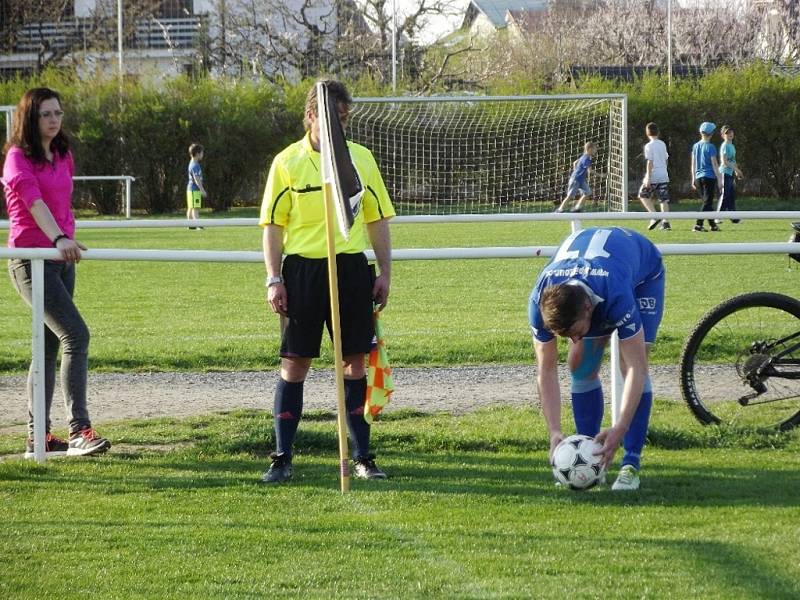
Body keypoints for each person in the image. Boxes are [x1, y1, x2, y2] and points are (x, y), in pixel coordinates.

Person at [258, 79, 395, 484]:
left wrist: (385, 271)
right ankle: (282, 457)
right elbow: (272, 226)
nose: (335, 125)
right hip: (302, 273)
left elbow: (376, 218)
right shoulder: (286, 162)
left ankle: (363, 457)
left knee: (354, 362)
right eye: (327, 117)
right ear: (309, 116)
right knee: (295, 363)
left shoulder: (361, 159)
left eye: (341, 118)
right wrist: (273, 279)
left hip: (351, 269)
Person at [1, 87, 111, 458]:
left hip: (63, 262)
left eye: (58, 113)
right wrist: (60, 237)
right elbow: (33, 203)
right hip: (31, 261)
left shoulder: (63, 154)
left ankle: (39, 437)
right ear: (30, 119)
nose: (53, 120)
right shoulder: (17, 157)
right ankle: (79, 430)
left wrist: (67, 239)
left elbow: (63, 202)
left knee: (46, 346)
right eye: (46, 114)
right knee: (76, 335)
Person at [528, 227, 665, 491]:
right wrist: (554, 430)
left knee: (631, 362)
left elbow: (637, 367)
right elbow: (545, 370)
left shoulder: (615, 294)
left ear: (588, 308)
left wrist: (621, 427)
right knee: (580, 363)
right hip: (590, 278)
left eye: (576, 332)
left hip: (643, 275)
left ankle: (630, 465)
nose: (575, 339)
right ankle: (592, 460)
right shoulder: (538, 300)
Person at [637, 122, 671, 231]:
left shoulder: (649, 146)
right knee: (663, 199)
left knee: (643, 195)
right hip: (663, 175)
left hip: (654, 175)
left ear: (647, 133)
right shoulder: (662, 144)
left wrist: (648, 177)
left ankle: (654, 216)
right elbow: (666, 159)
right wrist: (664, 170)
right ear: (658, 132)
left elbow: (650, 162)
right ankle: (666, 223)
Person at [690, 122, 721, 232]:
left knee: (707, 203)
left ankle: (713, 225)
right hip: (709, 177)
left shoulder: (695, 146)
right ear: (711, 133)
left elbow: (693, 163)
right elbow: (715, 164)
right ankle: (698, 224)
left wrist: (693, 178)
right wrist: (720, 179)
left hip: (698, 177)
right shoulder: (711, 147)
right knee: (707, 202)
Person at [555, 141, 596, 213]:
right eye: (594, 149)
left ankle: (577, 208)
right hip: (576, 179)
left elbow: (575, 162)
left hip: (580, 179)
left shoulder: (583, 156)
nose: (595, 151)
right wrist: (601, 175)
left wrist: (576, 170)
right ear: (589, 149)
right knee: (570, 196)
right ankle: (560, 209)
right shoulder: (587, 158)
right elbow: (590, 171)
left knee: (588, 192)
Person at [716, 125, 744, 225]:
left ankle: (734, 218)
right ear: (723, 135)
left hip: (730, 173)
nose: (730, 134)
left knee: (731, 195)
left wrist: (736, 172)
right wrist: (736, 169)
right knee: (725, 195)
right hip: (724, 172)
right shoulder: (724, 145)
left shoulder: (732, 146)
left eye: (731, 132)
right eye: (727, 133)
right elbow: (725, 161)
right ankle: (717, 217)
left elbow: (733, 160)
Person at [186, 143, 206, 230]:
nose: (202, 155)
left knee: (190, 207)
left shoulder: (191, 163)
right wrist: (202, 190)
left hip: (190, 189)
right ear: (197, 154)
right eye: (202, 153)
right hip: (194, 190)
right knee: (195, 207)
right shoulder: (195, 165)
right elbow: (197, 179)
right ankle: (198, 224)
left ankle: (190, 224)